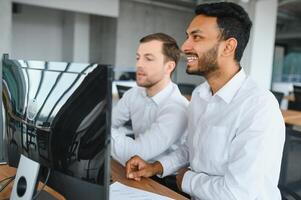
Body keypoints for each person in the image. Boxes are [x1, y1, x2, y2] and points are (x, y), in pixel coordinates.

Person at [125, 2, 285, 200]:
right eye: (187, 36)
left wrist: (186, 180)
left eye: (197, 37)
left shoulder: (259, 107)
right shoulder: (201, 94)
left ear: (228, 47)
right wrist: (155, 167)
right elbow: (193, 149)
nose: (184, 46)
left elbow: (238, 194)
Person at [111, 33, 189, 165]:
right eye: (138, 58)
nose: (139, 64)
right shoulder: (133, 94)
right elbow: (109, 123)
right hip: (136, 171)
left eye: (148, 59)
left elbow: (134, 155)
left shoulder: (177, 108)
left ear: (169, 67)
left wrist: (102, 131)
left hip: (163, 180)